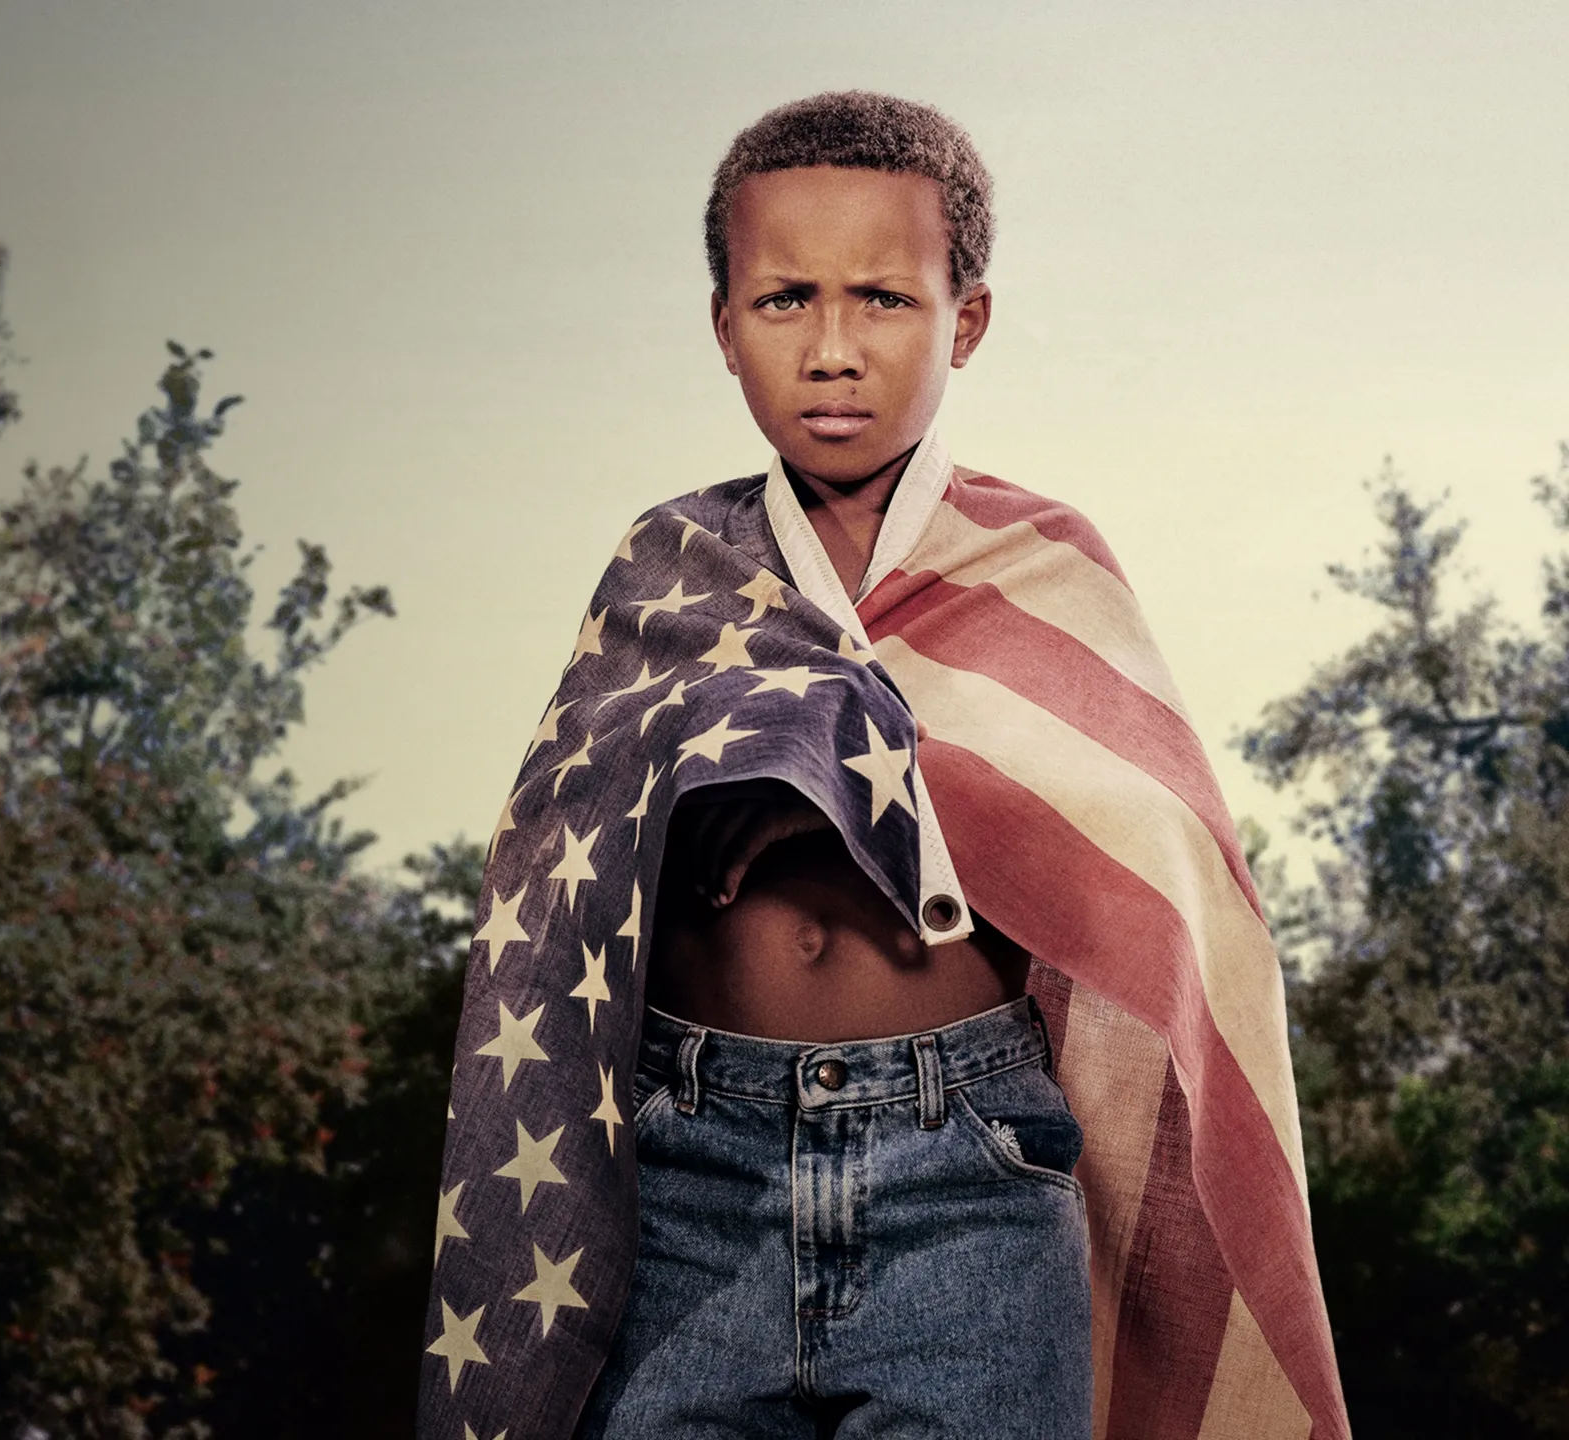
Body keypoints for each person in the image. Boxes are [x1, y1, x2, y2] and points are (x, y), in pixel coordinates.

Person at [417, 92, 1348, 1440]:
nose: (835, 350)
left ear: (963, 321)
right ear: (725, 326)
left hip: (964, 1170)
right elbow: (576, 846)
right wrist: (774, 780)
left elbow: (1146, 840)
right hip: (691, 1181)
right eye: (787, 299)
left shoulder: (1042, 564)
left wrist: (834, 801)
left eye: (885, 301)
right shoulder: (671, 567)